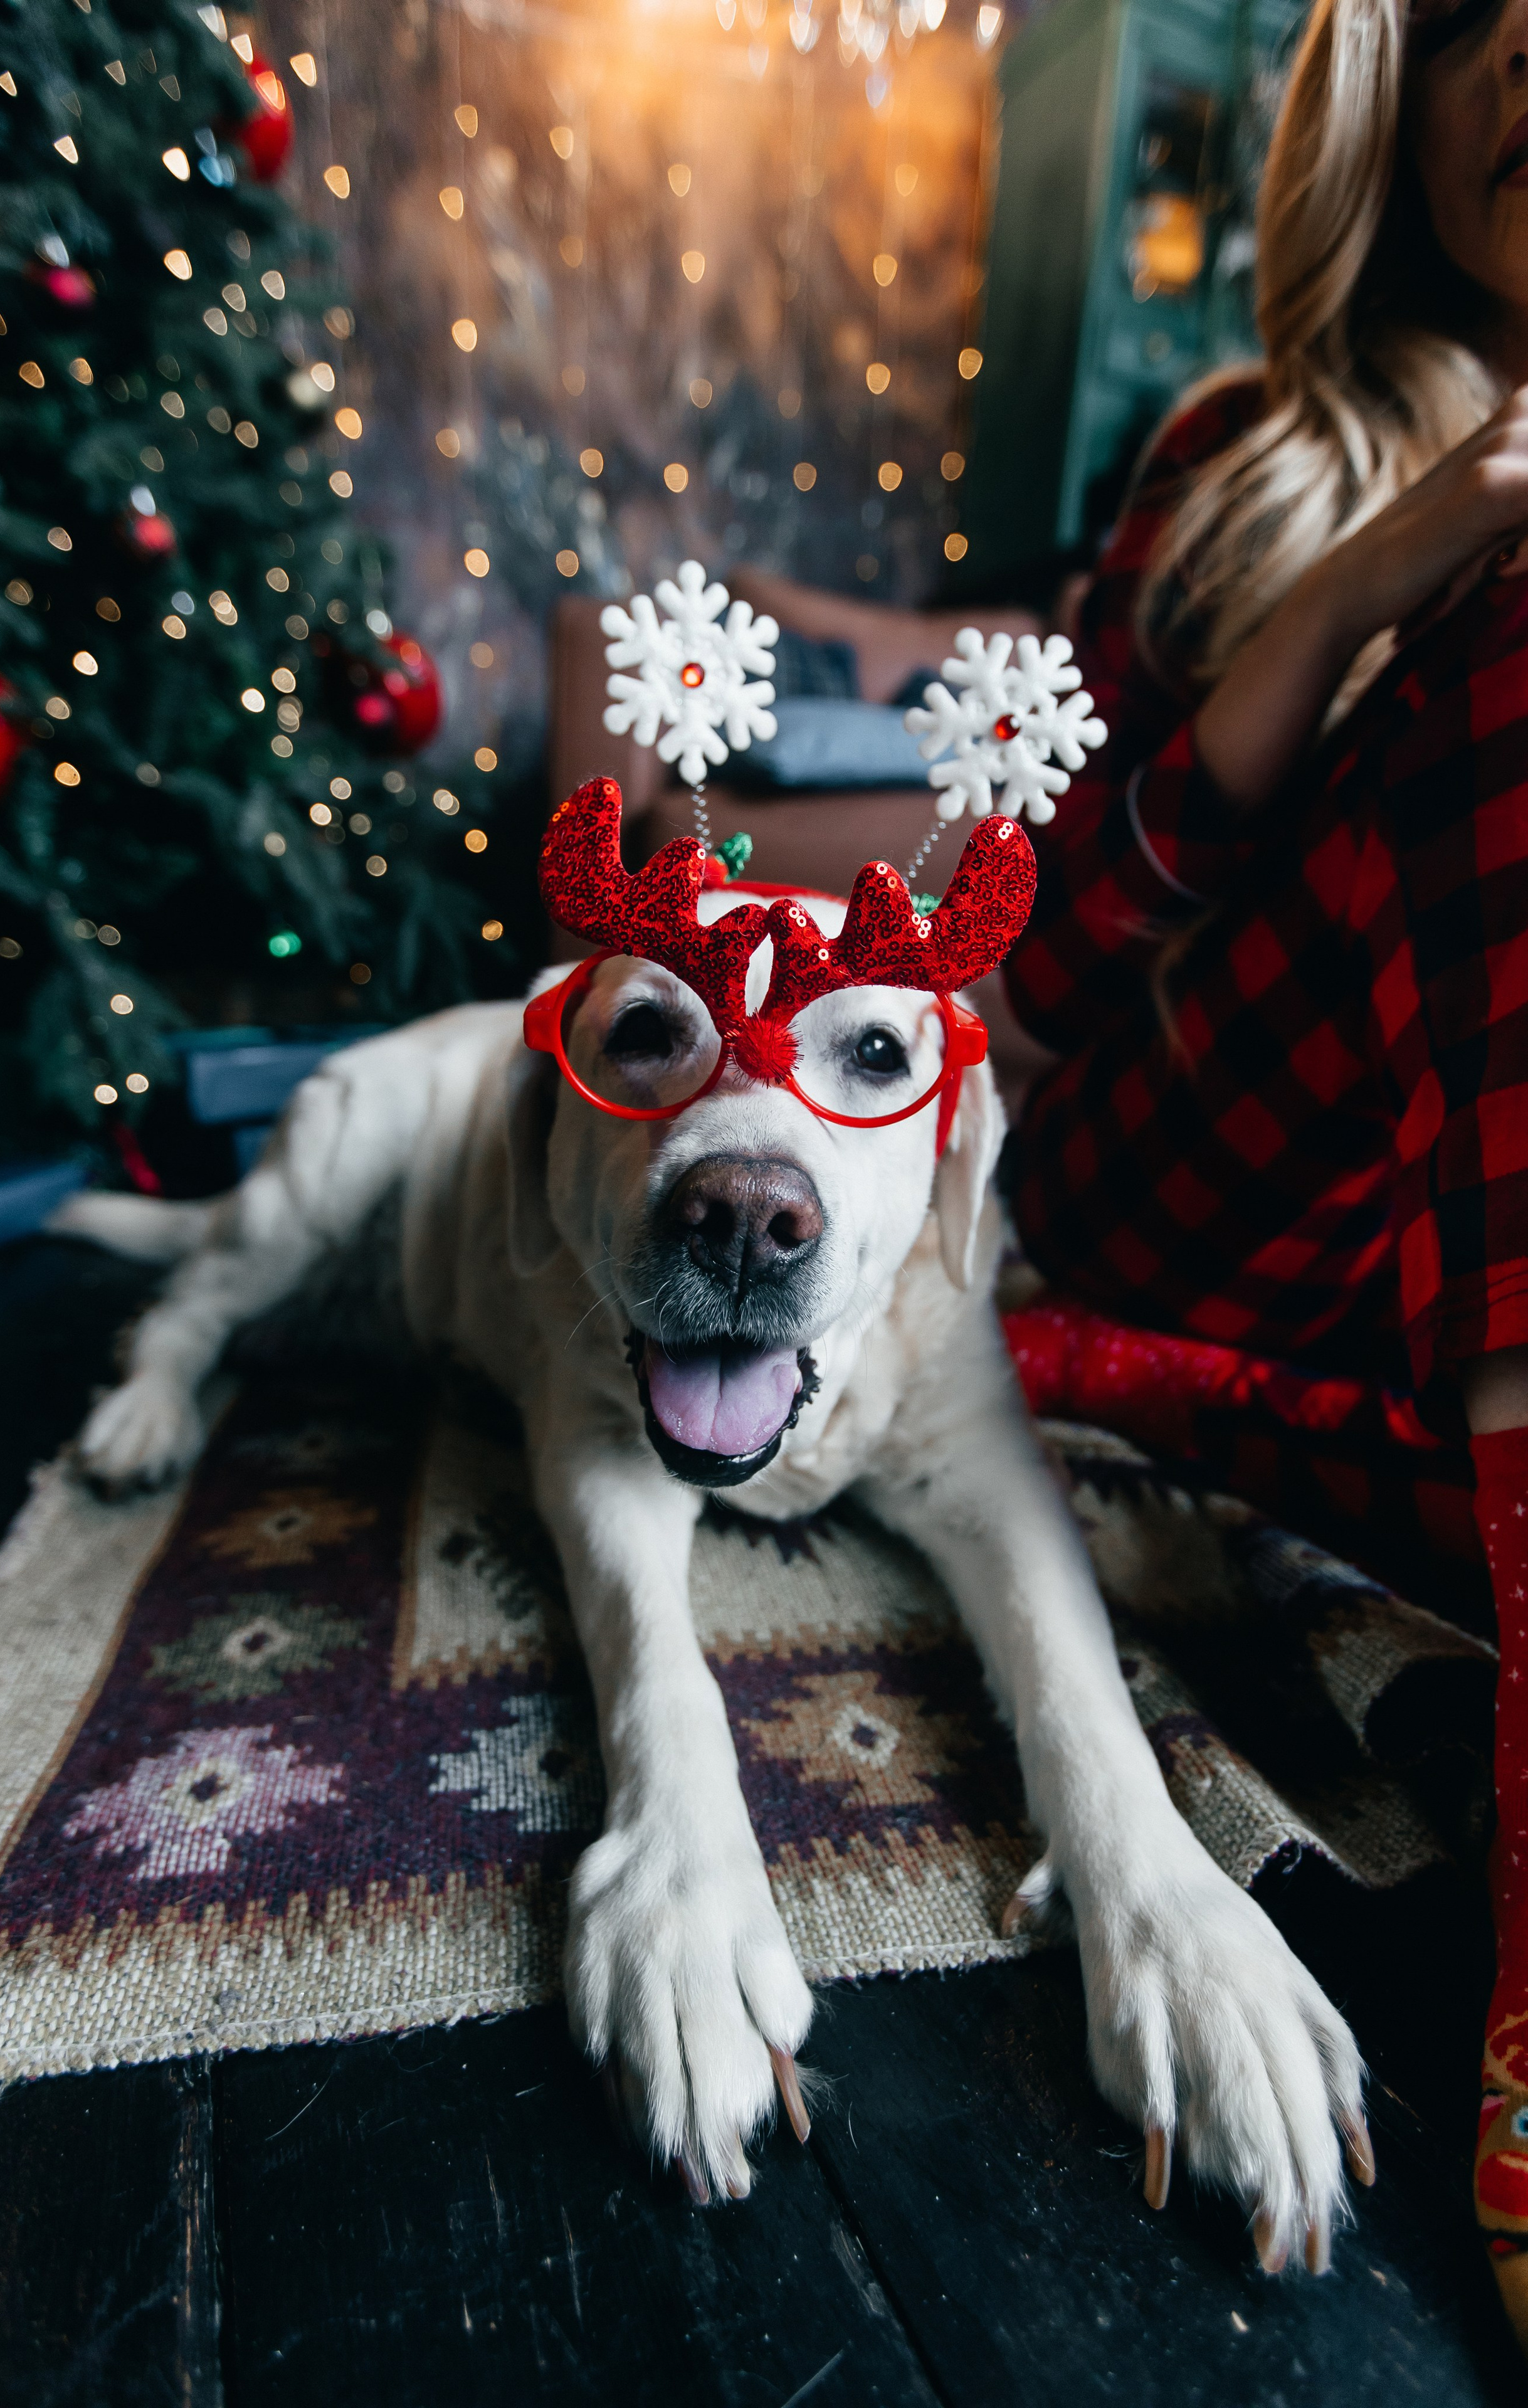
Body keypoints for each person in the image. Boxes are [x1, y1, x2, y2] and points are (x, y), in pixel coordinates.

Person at [982, 0, 1528, 2342]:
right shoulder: (1247, 445)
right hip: (1197, 1171)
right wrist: (1388, 567)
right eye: (1487, 21)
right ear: (1402, 110)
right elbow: (1035, 968)